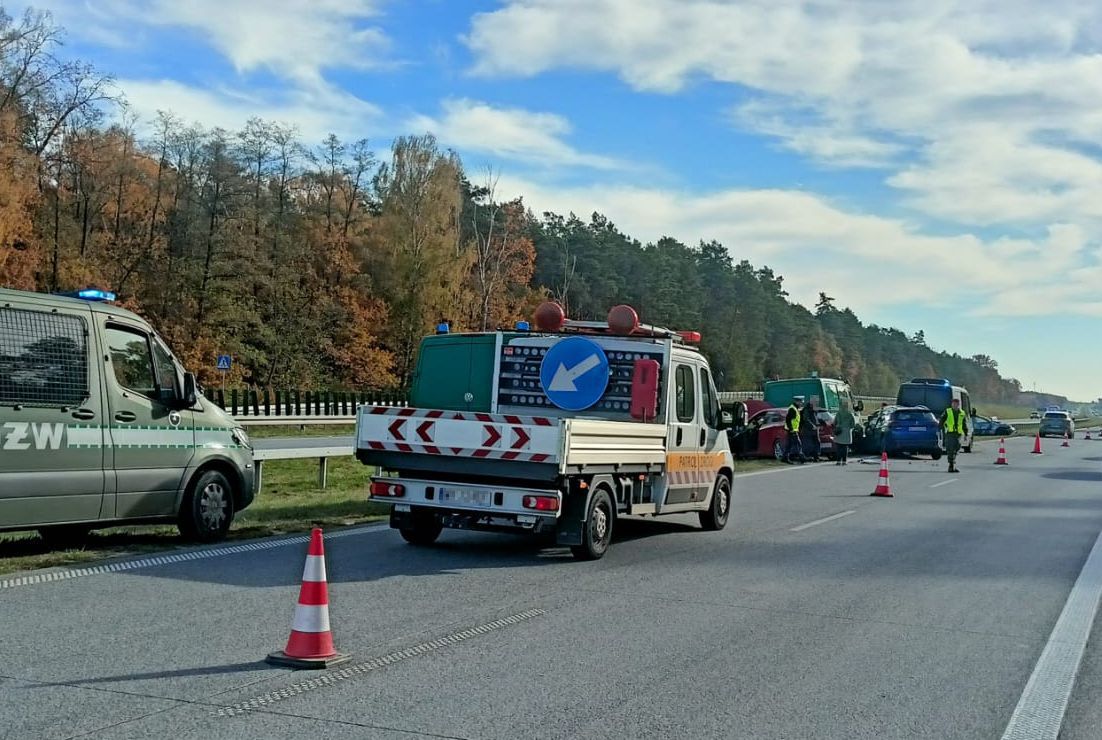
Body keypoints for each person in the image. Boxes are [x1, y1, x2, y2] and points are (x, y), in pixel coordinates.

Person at [940, 398, 969, 473]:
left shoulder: (962, 413)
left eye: (956, 404)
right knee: (950, 449)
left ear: (958, 404)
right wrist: (941, 428)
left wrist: (966, 434)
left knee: (957, 448)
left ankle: (953, 464)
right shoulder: (947, 411)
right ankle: (951, 465)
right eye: (953, 404)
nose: (955, 405)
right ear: (952, 404)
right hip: (950, 433)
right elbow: (942, 420)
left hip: (958, 434)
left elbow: (964, 424)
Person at [833, 399, 857, 466]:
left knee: (839, 447)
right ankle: (844, 461)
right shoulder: (850, 414)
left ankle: (838, 461)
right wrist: (850, 428)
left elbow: (835, 422)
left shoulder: (839, 413)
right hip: (847, 432)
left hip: (839, 431)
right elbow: (853, 424)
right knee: (845, 447)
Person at [800, 397, 822, 462]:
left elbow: (816, 418)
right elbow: (806, 419)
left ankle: (816, 457)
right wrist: (812, 425)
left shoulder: (815, 410)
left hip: (815, 430)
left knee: (817, 443)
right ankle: (807, 457)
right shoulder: (807, 409)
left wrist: (820, 423)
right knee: (808, 444)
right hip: (808, 430)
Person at [784, 396, 805, 464]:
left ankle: (785, 457)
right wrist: (792, 429)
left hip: (793, 429)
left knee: (790, 444)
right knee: (798, 443)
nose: (802, 403)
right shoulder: (792, 409)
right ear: (797, 402)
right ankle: (802, 458)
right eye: (801, 402)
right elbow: (788, 420)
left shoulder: (796, 408)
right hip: (792, 430)